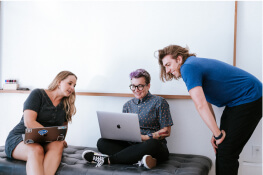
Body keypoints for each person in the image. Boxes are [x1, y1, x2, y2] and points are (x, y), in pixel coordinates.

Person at [157, 45, 262, 175]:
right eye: (165, 67)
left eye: (168, 64)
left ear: (179, 59)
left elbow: (200, 105)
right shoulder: (191, 65)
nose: (167, 70)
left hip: (249, 97)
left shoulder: (188, 67)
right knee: (222, 148)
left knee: (227, 152)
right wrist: (215, 132)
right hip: (237, 102)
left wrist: (218, 135)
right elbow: (205, 102)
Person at [82, 69, 173, 169]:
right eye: (133, 86)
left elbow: (166, 132)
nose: (136, 90)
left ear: (148, 86)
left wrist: (144, 137)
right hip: (131, 146)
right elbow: (123, 129)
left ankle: (107, 160)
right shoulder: (127, 105)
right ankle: (139, 160)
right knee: (102, 142)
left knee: (153, 144)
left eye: (140, 86)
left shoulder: (159, 102)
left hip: (152, 146)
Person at [5, 71, 77, 175]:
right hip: (21, 137)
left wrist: (60, 138)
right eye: (70, 83)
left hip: (44, 141)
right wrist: (52, 136)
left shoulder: (66, 105)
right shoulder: (38, 94)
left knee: (58, 145)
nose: (72, 88)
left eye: (74, 85)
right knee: (36, 150)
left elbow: (62, 130)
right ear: (59, 82)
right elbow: (29, 122)